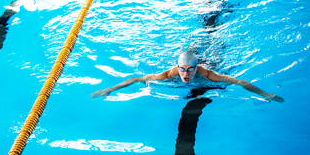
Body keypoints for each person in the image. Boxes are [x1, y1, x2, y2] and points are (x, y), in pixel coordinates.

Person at [91, 51, 284, 102]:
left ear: (196, 67)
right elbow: (135, 79)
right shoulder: (166, 75)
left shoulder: (209, 74)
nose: (185, 74)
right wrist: (109, 89)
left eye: (190, 69)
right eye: (182, 69)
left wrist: (265, 94)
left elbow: (240, 82)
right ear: (177, 67)